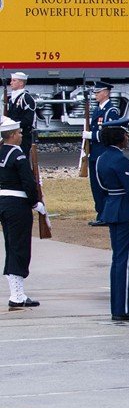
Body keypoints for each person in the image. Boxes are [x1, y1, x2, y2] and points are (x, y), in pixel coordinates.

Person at [95, 116, 129, 322]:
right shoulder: (120, 159)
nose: (128, 138)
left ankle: (118, 306)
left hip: (111, 206)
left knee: (118, 260)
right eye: (126, 134)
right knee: (125, 261)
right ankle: (124, 308)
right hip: (125, 210)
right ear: (119, 137)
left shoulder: (101, 158)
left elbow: (100, 186)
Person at [1, 116, 44, 308]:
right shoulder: (17, 154)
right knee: (19, 249)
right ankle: (17, 296)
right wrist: (36, 203)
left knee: (12, 247)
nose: (21, 135)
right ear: (11, 135)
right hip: (17, 205)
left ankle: (17, 293)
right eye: (18, 132)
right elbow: (28, 182)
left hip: (3, 203)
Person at [85, 81, 120, 227]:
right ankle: (100, 213)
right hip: (95, 153)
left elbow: (109, 133)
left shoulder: (110, 111)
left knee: (103, 185)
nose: (96, 95)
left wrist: (91, 136)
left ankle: (106, 215)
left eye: (98, 92)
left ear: (106, 92)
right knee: (95, 186)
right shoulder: (98, 110)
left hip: (103, 153)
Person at [6, 72, 37, 154]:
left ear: (21, 83)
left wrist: (12, 124)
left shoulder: (26, 98)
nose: (10, 83)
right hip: (13, 134)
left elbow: (28, 120)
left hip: (23, 135)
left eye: (14, 80)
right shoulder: (11, 99)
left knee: (22, 157)